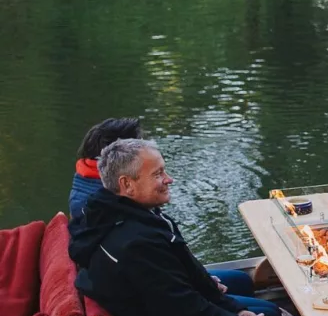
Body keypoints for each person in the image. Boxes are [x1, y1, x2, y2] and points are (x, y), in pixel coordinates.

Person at [69, 139, 313, 316]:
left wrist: (234, 311)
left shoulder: (133, 216)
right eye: (158, 174)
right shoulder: (135, 245)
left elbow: (187, 283)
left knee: (267, 315)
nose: (169, 179)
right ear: (127, 184)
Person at [71, 116, 259, 298]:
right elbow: (152, 276)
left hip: (162, 277)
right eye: (139, 145)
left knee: (242, 280)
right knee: (264, 309)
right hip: (154, 292)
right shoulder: (97, 205)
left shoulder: (95, 185)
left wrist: (203, 279)